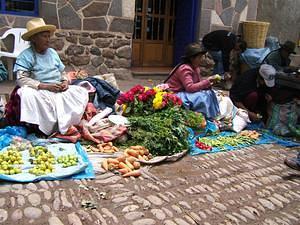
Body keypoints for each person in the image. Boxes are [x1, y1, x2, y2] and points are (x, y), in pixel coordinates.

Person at [7, 18, 89, 135]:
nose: (48, 39)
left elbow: (62, 72)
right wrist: (44, 86)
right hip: (39, 90)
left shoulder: (52, 53)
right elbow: (21, 79)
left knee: (81, 92)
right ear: (34, 38)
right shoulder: (26, 56)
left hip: (57, 89)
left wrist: (65, 82)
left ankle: (65, 125)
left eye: (48, 36)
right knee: (26, 93)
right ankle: (41, 128)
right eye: (44, 37)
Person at [165, 43, 220, 119]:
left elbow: (198, 84)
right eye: (199, 57)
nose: (202, 59)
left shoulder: (195, 67)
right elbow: (190, 87)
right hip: (175, 93)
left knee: (209, 93)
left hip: (184, 92)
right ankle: (203, 117)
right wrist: (207, 81)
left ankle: (213, 116)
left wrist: (210, 83)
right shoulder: (185, 69)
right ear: (192, 58)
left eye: (202, 57)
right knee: (201, 97)